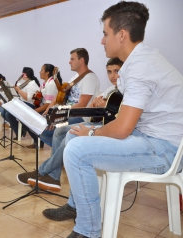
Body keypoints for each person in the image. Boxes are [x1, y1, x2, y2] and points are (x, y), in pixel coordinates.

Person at [50, 2, 183, 238]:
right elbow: (125, 122)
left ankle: (88, 231)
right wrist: (88, 131)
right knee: (73, 133)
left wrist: (91, 134)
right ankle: (76, 205)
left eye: (105, 33)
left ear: (121, 35)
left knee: (77, 150)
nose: (102, 40)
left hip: (165, 149)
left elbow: (122, 128)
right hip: (149, 138)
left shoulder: (141, 65)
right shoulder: (141, 60)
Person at [17, 58, 123, 193]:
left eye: (116, 71)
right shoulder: (109, 89)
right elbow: (91, 105)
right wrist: (96, 103)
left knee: (70, 133)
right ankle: (54, 176)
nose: (112, 75)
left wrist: (103, 106)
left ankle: (44, 171)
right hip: (93, 120)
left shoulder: (123, 90)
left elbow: (117, 116)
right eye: (109, 72)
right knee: (58, 131)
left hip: (100, 125)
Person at [39, 48, 100, 147]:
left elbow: (82, 105)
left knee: (53, 128)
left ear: (81, 60)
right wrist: (49, 108)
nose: (69, 62)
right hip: (68, 113)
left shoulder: (89, 78)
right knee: (40, 125)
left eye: (72, 59)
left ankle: (59, 155)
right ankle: (61, 151)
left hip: (80, 117)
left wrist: (58, 113)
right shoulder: (75, 77)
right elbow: (61, 93)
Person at [26, 64, 60, 148]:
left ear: (47, 73)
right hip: (43, 107)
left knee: (27, 117)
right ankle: (37, 140)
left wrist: (34, 111)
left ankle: (39, 141)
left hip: (50, 110)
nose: (39, 72)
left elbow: (48, 104)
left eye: (41, 70)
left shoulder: (51, 84)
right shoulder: (45, 83)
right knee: (24, 112)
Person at [1, 67, 40, 140]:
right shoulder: (24, 83)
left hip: (29, 105)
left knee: (8, 114)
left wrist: (18, 90)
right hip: (22, 103)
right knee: (3, 112)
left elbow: (28, 98)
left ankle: (20, 130)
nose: (22, 76)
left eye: (23, 74)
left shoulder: (32, 84)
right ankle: (20, 129)